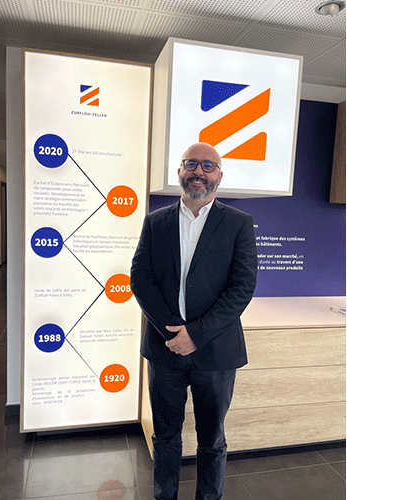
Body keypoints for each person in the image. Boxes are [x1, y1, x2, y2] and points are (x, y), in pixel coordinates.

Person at [130, 142, 258, 500]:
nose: (198, 171)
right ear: (179, 172)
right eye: (190, 164)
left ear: (219, 175)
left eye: (207, 165)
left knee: (212, 440)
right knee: (165, 436)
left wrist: (196, 335)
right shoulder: (155, 222)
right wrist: (173, 333)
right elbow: (140, 278)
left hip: (215, 352)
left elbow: (242, 286)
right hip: (164, 348)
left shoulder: (238, 223)